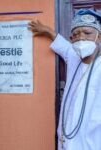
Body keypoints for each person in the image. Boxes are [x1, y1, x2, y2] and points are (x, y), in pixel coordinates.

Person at [28, 9, 101, 150]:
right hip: (67, 139)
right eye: (75, 34)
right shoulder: (74, 58)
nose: (81, 38)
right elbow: (64, 46)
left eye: (87, 33)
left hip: (92, 141)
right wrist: (47, 31)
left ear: (99, 37)